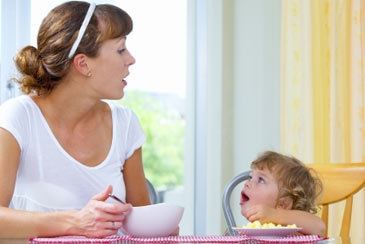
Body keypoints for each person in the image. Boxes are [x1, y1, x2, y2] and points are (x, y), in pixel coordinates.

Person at [0, 1, 151, 238]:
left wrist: (159, 228)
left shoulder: (125, 123)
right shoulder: (19, 117)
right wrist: (76, 222)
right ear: (83, 63)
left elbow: (142, 222)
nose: (131, 59)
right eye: (121, 49)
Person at [240, 151, 326, 236]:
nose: (247, 183)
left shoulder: (292, 233)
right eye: (250, 177)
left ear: (283, 204)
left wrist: (275, 214)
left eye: (261, 180)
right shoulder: (251, 231)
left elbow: (320, 227)